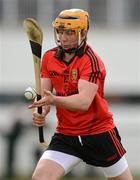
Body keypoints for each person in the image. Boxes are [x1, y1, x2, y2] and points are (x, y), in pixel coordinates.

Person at [28, 9, 133, 180]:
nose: (63, 37)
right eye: (60, 31)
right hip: (66, 135)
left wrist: (53, 100)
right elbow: (45, 95)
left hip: (99, 134)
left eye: (69, 32)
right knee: (40, 177)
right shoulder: (48, 58)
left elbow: (83, 102)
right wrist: (41, 110)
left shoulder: (91, 61)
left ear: (83, 33)